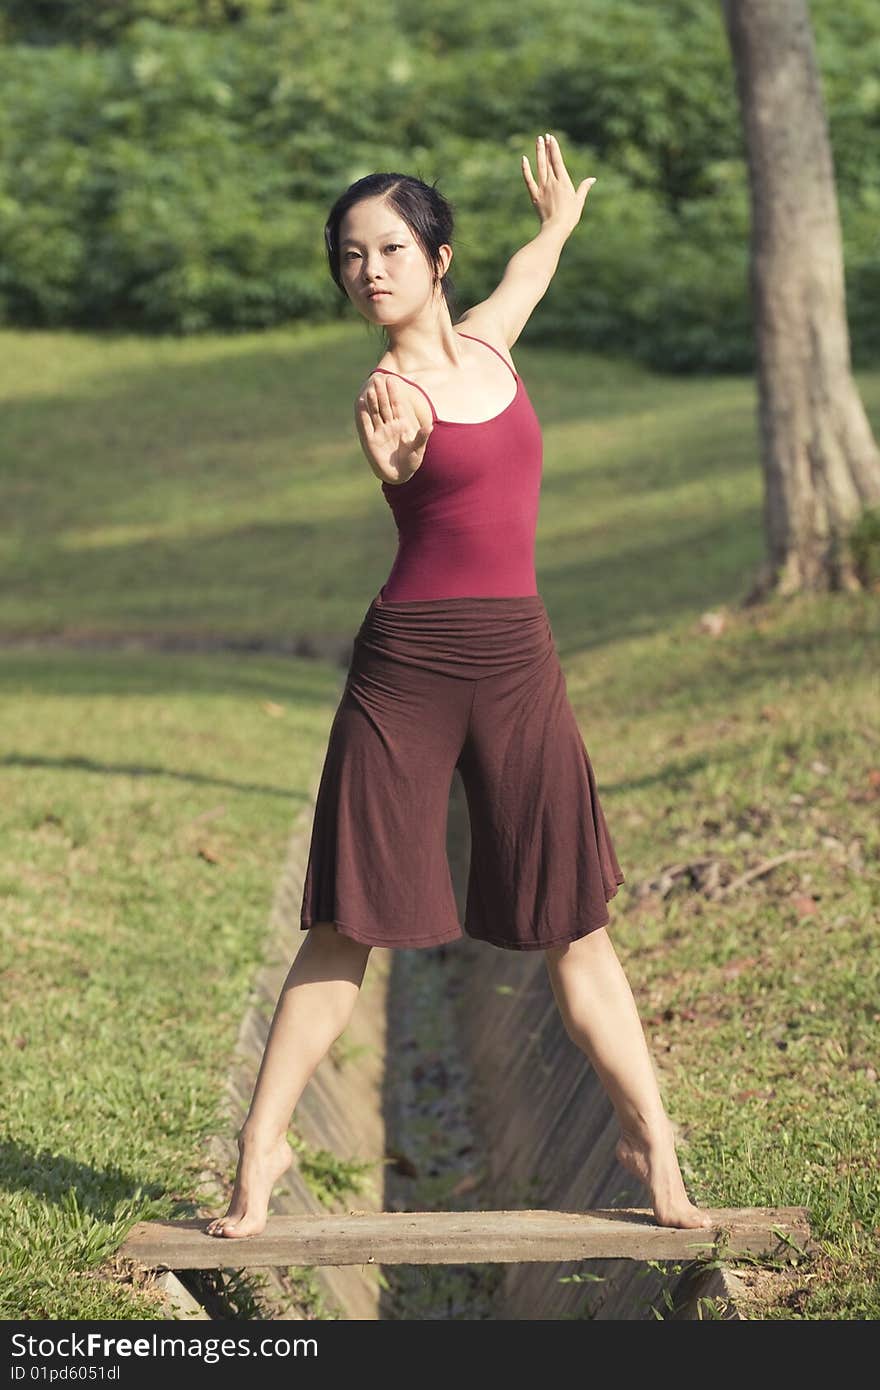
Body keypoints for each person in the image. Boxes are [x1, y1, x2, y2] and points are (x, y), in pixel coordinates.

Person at [207, 133, 713, 1239]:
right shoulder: (384, 393)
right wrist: (395, 468)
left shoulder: (490, 340)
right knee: (347, 923)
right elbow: (396, 470)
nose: (368, 270)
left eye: (389, 246)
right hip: (409, 666)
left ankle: (650, 1145)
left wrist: (555, 228)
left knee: (575, 923)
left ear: (439, 257)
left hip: (518, 659)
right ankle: (260, 1149)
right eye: (349, 256)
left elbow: (528, 275)